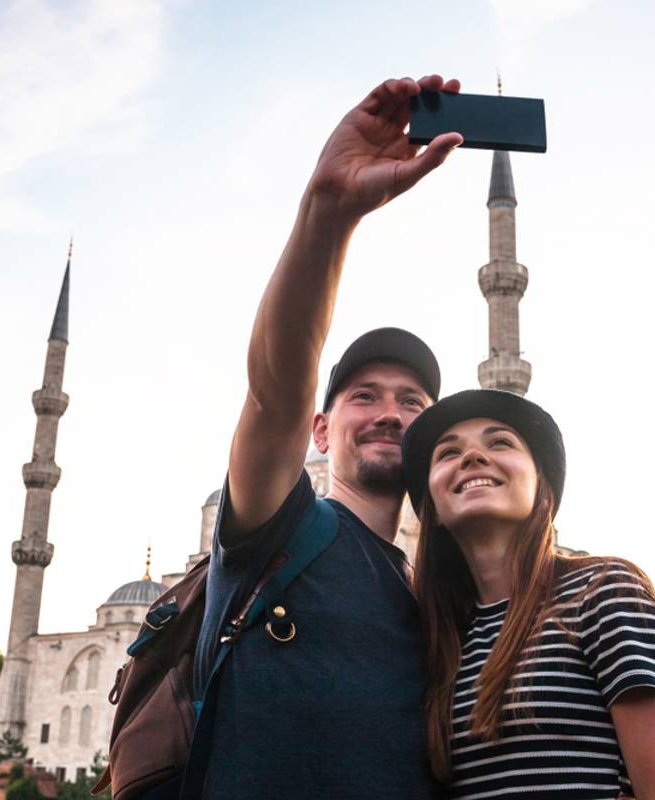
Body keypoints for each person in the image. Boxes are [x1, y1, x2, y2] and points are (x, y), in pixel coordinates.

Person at [188, 75, 464, 799]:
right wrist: (329, 215)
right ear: (321, 428)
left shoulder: (437, 588)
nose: (389, 412)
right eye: (363, 396)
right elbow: (276, 385)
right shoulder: (278, 528)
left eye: (412, 401)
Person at [401, 389, 655, 800]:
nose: (472, 457)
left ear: (541, 483)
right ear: (429, 505)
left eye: (500, 442)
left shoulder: (602, 593)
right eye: (448, 453)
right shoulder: (440, 637)